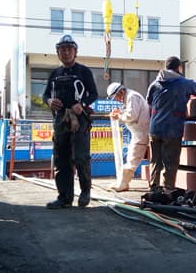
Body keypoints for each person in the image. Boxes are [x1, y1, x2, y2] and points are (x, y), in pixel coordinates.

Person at [146, 56, 196, 193]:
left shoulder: (155, 84)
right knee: (170, 162)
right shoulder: (183, 83)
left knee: (155, 161)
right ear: (179, 68)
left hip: (154, 129)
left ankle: (154, 189)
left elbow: (149, 101)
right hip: (172, 129)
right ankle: (168, 190)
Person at [42, 35, 98, 209]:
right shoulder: (54, 74)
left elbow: (94, 94)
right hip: (60, 120)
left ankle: (85, 192)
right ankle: (64, 198)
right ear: (58, 53)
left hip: (79, 120)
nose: (66, 52)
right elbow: (45, 95)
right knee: (61, 159)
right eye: (62, 49)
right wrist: (49, 101)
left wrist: (82, 104)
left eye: (69, 49)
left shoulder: (84, 71)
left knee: (81, 157)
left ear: (75, 52)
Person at [107, 82, 150, 192]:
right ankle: (122, 182)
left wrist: (119, 116)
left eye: (115, 97)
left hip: (142, 133)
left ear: (121, 91)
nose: (116, 100)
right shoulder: (129, 97)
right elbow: (130, 111)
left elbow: (132, 115)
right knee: (132, 157)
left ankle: (123, 183)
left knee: (132, 159)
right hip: (138, 133)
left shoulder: (132, 97)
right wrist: (120, 112)